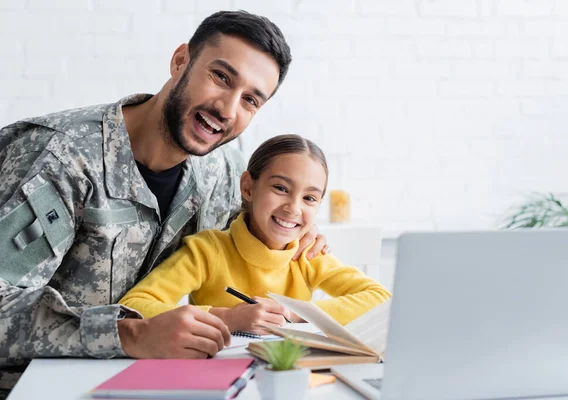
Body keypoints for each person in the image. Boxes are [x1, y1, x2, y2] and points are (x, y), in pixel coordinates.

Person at [0, 11, 329, 395]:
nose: (227, 109)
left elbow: (253, 231)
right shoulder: (60, 155)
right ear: (180, 62)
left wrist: (297, 227)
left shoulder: (223, 173)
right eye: (221, 77)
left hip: (154, 386)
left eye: (250, 100)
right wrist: (131, 334)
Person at [120, 134, 391, 334]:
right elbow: (134, 305)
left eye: (309, 198)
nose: (293, 208)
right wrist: (227, 318)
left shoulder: (307, 254)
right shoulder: (207, 250)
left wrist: (293, 312)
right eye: (281, 188)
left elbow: (380, 298)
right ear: (248, 187)